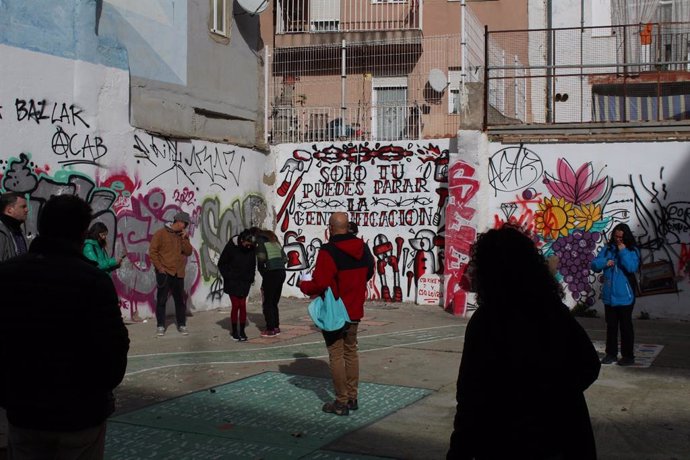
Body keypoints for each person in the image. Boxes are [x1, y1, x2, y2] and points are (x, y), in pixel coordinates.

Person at [447, 225, 600, 459]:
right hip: (562, 438)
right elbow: (588, 364)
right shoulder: (552, 312)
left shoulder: (487, 321)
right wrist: (556, 397)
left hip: (508, 441)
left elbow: (470, 397)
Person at [0, 195, 129, 459]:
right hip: (79, 415)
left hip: (24, 412)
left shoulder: (8, 275)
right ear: (82, 233)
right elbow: (114, 347)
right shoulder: (92, 281)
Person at [298, 212, 375, 416]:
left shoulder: (328, 251)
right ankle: (352, 397)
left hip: (335, 311)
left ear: (330, 228)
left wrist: (303, 285)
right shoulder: (363, 247)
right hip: (355, 308)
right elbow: (369, 272)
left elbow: (320, 282)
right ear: (348, 226)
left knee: (336, 354)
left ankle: (340, 402)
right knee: (351, 352)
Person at [591, 223, 641, 366]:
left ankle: (628, 356)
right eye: (616, 236)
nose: (618, 239)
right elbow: (594, 265)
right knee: (611, 326)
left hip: (625, 296)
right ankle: (611, 354)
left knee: (626, 327)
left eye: (621, 237)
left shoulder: (632, 250)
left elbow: (631, 267)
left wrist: (623, 251)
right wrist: (605, 262)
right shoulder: (607, 249)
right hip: (609, 296)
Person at [149, 211, 194, 336]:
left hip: (178, 273)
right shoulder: (161, 234)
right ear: (179, 222)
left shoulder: (182, 235)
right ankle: (160, 325)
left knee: (179, 301)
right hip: (164, 273)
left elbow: (188, 252)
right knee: (161, 300)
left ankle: (181, 324)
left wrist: (185, 238)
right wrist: (159, 268)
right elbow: (153, 252)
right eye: (185, 224)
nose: (185, 226)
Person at [217, 229, 256, 341]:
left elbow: (253, 264)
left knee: (243, 305)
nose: (248, 247)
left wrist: (251, 278)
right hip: (232, 281)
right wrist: (229, 276)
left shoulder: (251, 248)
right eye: (247, 244)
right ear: (242, 240)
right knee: (236, 305)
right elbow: (222, 263)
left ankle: (242, 331)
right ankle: (234, 331)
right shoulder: (231, 246)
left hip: (245, 281)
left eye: (250, 245)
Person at [252, 227, 287, 338]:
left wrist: (264, 273)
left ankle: (270, 329)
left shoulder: (260, 241)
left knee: (267, 302)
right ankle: (276, 327)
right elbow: (285, 258)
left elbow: (261, 259)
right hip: (281, 272)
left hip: (270, 273)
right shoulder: (274, 240)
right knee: (274, 302)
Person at [0, 191, 29, 261]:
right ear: (9, 210)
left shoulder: (17, 230)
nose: (27, 210)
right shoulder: (1, 232)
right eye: (23, 207)